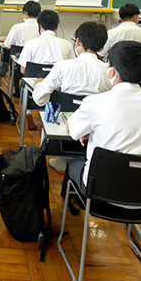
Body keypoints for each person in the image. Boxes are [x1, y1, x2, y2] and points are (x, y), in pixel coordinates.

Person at [64, 41, 141, 201]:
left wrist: (92, 131)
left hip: (101, 193)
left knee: (73, 164)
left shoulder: (95, 101)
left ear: (112, 72)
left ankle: (74, 204)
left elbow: (70, 128)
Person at [32, 22, 111, 174]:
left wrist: (40, 84)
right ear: (102, 47)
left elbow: (40, 99)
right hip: (96, 129)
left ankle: (61, 160)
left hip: (64, 126)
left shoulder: (63, 66)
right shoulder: (108, 71)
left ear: (78, 41)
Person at [17, 10, 75, 75]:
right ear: (57, 27)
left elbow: (23, 70)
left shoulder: (30, 44)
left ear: (39, 26)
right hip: (59, 81)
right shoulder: (67, 44)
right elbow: (72, 68)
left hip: (35, 81)